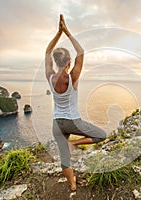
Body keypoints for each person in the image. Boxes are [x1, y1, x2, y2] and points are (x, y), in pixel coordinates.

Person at [45, 14, 107, 191]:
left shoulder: (49, 76)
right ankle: (74, 143)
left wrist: (58, 33)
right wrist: (66, 31)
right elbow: (81, 52)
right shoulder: (72, 77)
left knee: (64, 159)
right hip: (73, 122)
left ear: (56, 62)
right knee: (101, 135)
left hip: (57, 124)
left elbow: (47, 52)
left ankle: (72, 185)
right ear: (69, 62)